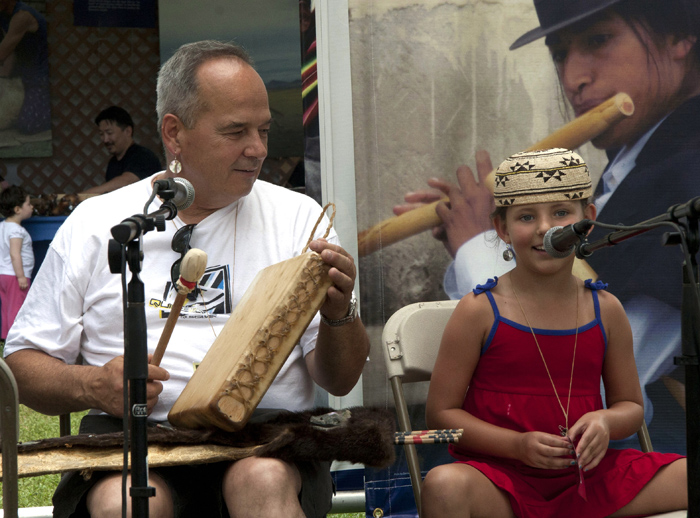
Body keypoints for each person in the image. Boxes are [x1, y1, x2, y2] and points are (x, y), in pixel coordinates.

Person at [3, 40, 370, 518]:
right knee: (125, 505)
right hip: (128, 435)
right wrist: (93, 386)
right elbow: (23, 365)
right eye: (236, 131)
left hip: (264, 437)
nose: (258, 149)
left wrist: (341, 315)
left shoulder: (298, 217)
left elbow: (339, 381)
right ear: (174, 134)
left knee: (261, 480)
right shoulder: (100, 222)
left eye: (263, 129)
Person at [396, 0, 700, 449]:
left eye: (598, 40)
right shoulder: (640, 165)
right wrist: (503, 240)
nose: (574, 78)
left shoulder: (684, 176)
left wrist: (480, 245)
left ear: (678, 36)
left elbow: (569, 385)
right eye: (560, 53)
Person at [421, 148, 687, 518]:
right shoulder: (479, 310)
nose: (546, 228)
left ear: (588, 220)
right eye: (527, 217)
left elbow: (629, 406)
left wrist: (604, 421)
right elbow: (441, 414)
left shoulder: (606, 309)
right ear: (501, 229)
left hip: (590, 479)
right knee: (443, 486)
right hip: (501, 480)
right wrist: (517, 446)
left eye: (561, 213)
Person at [82, 106, 162, 195]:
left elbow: (126, 182)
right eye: (101, 134)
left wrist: (82, 196)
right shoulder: (113, 162)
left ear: (128, 131)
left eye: (109, 133)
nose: (105, 139)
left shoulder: (143, 156)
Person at [0, 0, 50, 135]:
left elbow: (1, 53)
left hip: (41, 78)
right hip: (22, 76)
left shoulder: (22, 16)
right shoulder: (3, 15)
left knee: (27, 124)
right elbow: (10, 53)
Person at [0, 185, 33, 339]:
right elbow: (15, 253)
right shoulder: (16, 230)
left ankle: (5, 339)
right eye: (28, 204)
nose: (32, 207)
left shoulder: (2, 227)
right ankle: (16, 341)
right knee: (17, 308)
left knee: (6, 308)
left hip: (3, 274)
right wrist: (21, 276)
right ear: (18, 209)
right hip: (15, 276)